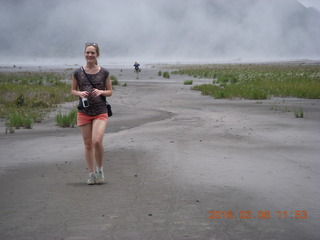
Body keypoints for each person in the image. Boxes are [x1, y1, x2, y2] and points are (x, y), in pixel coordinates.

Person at [71, 42, 112, 185]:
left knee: (97, 141)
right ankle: (91, 174)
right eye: (87, 52)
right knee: (88, 144)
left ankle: (100, 170)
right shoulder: (77, 72)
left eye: (92, 53)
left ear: (97, 55)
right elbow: (73, 90)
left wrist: (101, 91)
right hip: (84, 112)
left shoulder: (104, 72)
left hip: (100, 111)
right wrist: (80, 93)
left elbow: (110, 91)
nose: (89, 55)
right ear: (84, 54)